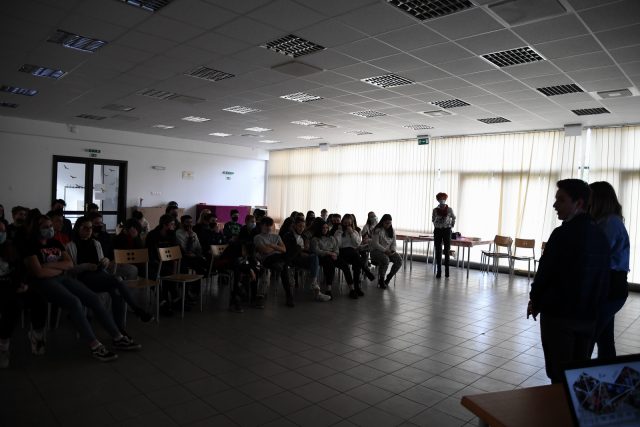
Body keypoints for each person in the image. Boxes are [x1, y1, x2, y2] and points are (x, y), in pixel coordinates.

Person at [527, 179, 610, 384]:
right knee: (578, 376)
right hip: (588, 317)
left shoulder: (562, 234)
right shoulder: (600, 235)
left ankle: (558, 406)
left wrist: (535, 300)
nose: (555, 205)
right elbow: (603, 278)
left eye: (561, 200)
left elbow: (545, 272)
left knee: (558, 374)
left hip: (559, 317)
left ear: (578, 203)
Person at [25, 215, 139, 362]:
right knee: (74, 302)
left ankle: (118, 337)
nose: (50, 229)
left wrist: (49, 266)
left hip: (62, 278)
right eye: (45, 227)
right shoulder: (31, 245)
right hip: (44, 282)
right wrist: (58, 269)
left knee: (93, 299)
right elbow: (39, 273)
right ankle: (94, 345)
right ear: (37, 229)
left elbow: (69, 264)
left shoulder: (55, 242)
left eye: (50, 226)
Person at [66, 217, 153, 332]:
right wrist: (86, 266)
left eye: (90, 228)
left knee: (117, 292)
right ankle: (136, 310)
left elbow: (102, 262)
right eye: (85, 228)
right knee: (117, 280)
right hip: (82, 278)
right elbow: (70, 270)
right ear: (78, 229)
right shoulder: (70, 246)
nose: (89, 230)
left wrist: (105, 261)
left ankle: (120, 330)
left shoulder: (96, 243)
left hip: (99, 274)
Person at [588, 181, 630, 360]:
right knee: (605, 339)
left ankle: (578, 373)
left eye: (590, 197)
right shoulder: (607, 221)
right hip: (611, 287)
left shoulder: (610, 223)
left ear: (599, 199)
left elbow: (598, 254)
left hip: (611, 288)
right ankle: (607, 371)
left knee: (589, 337)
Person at [0, 221, 48, 367]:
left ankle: (36, 335)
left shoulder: (10, 248)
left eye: (3, 231)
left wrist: (23, 283)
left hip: (13, 286)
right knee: (13, 305)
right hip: (4, 290)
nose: (1, 234)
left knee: (39, 298)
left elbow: (21, 269)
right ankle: (3, 345)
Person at [282, 218, 330, 302]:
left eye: (303, 226)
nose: (301, 228)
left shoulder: (301, 237)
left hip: (300, 259)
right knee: (315, 261)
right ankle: (315, 288)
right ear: (295, 226)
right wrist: (301, 252)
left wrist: (306, 252)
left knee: (315, 259)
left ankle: (315, 287)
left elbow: (304, 249)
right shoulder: (288, 235)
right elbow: (288, 251)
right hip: (291, 259)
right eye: (299, 226)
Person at [310, 218, 354, 299]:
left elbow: (336, 248)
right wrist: (328, 253)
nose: (325, 229)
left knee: (345, 266)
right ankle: (328, 289)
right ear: (319, 228)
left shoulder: (331, 238)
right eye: (323, 228)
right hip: (322, 257)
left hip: (333, 255)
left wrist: (335, 254)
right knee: (330, 265)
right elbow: (316, 251)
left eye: (326, 228)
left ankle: (352, 289)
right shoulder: (315, 239)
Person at [146, 214, 180, 316]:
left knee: (169, 271)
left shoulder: (171, 235)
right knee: (162, 272)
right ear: (165, 225)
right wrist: (159, 262)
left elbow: (175, 251)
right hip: (154, 263)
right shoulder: (152, 235)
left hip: (167, 263)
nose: (174, 226)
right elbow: (150, 254)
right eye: (172, 224)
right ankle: (166, 300)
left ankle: (169, 300)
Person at [254, 217, 292, 307]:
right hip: (266, 259)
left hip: (278, 259)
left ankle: (289, 296)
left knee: (283, 267)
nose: (268, 228)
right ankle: (289, 296)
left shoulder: (276, 236)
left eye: (270, 225)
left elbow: (284, 249)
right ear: (261, 226)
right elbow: (265, 251)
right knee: (283, 262)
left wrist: (271, 245)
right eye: (266, 225)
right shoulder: (258, 237)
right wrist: (276, 247)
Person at [335, 215, 374, 297]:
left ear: (352, 223)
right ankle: (366, 270)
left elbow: (357, 244)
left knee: (357, 264)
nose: (347, 225)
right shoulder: (338, 232)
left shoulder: (355, 232)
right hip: (342, 253)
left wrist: (351, 234)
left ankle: (356, 287)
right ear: (342, 223)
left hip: (352, 255)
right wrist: (341, 232)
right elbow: (338, 244)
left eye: (349, 223)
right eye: (345, 223)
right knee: (354, 254)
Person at [370, 214, 402, 289]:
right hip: (376, 251)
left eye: (390, 223)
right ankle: (381, 279)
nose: (388, 225)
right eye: (386, 223)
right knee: (385, 259)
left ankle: (388, 278)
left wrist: (393, 250)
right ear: (382, 222)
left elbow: (394, 243)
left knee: (399, 260)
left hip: (388, 251)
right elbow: (375, 244)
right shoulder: (377, 230)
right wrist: (385, 251)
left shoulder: (392, 230)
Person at [432, 192, 456, 279]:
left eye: (443, 198)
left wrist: (451, 225)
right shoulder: (435, 210)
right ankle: (439, 271)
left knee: (447, 250)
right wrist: (436, 222)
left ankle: (447, 272)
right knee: (438, 250)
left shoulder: (449, 209)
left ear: (445, 199)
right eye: (440, 199)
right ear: (438, 200)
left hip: (447, 230)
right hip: (438, 230)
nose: (442, 200)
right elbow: (433, 220)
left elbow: (454, 217)